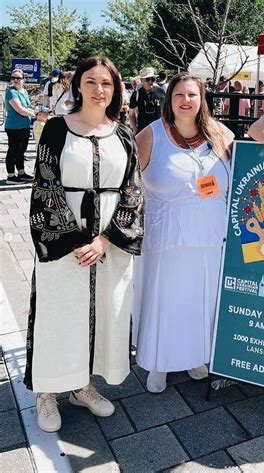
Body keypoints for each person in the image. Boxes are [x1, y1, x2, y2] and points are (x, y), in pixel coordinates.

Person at [25, 56, 144, 433]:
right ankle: (46, 390)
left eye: (106, 83)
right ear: (78, 86)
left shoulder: (123, 133)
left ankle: (80, 385)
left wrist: (107, 239)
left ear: (116, 89)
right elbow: (44, 185)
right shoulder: (58, 129)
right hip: (65, 241)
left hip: (109, 240)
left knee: (100, 314)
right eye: (90, 81)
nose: (98, 89)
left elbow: (133, 190)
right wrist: (77, 240)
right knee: (58, 312)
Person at [132, 72, 234, 393]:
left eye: (192, 94)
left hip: (208, 235)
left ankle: (195, 356)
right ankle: (159, 361)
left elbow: (244, 171)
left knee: (201, 299)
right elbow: (128, 185)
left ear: (202, 99)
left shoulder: (220, 134)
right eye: (179, 95)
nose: (186, 100)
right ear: (169, 99)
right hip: (166, 237)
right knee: (166, 299)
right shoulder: (151, 135)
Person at [4, 69, 37, 184]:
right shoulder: (11, 92)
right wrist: (36, 114)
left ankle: (21, 172)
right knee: (13, 151)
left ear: (24, 79)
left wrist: (35, 110)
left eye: (18, 78)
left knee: (21, 151)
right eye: (13, 78)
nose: (15, 80)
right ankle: (11, 176)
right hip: (14, 127)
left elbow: (27, 106)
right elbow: (20, 110)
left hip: (24, 126)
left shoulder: (23, 91)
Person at [128, 67, 166, 134]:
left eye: (153, 79)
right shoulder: (136, 94)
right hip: (143, 131)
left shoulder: (161, 92)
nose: (150, 82)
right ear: (141, 80)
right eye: (147, 79)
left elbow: (165, 111)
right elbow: (131, 115)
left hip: (160, 130)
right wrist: (136, 130)